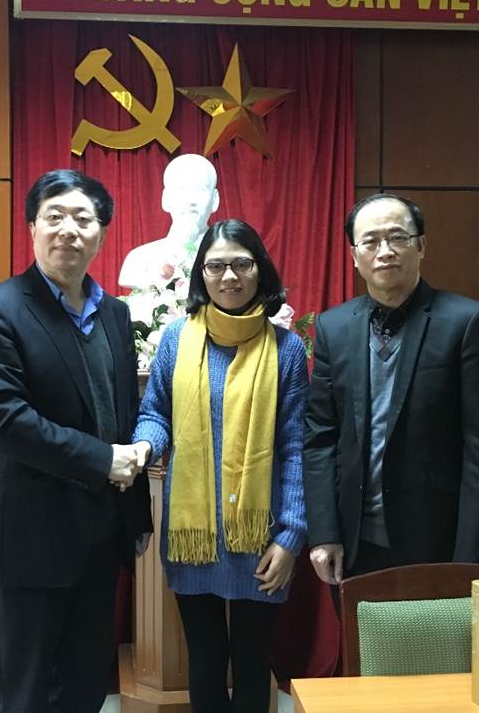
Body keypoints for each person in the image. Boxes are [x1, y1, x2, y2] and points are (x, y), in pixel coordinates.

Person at [0, 169, 152, 713]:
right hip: (32, 535)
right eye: (55, 216)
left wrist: (135, 505)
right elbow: (7, 422)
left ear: (102, 233)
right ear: (32, 228)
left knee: (85, 686)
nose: (69, 229)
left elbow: (122, 411)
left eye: (83, 218)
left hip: (102, 533)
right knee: (28, 691)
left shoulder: (115, 314)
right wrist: (103, 460)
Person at [132, 219, 307, 713]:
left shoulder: (286, 349)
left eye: (241, 264)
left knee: (253, 662)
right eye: (216, 266)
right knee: (205, 661)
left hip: (261, 536)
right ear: (201, 274)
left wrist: (291, 536)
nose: (229, 276)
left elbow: (296, 446)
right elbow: (155, 414)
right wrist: (144, 447)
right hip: (194, 533)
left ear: (259, 270)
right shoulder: (175, 339)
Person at [303, 192, 479, 585]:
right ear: (354, 255)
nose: (384, 251)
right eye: (370, 241)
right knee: (360, 631)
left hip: (438, 542)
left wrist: (472, 560)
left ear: (421, 245)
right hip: (353, 544)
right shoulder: (334, 327)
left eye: (397, 237)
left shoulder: (467, 323)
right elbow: (320, 438)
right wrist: (324, 532)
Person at [118, 153, 219, 289]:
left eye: (200, 189)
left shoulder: (230, 257)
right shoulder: (139, 259)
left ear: (215, 200)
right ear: (165, 199)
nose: (191, 200)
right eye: (181, 189)